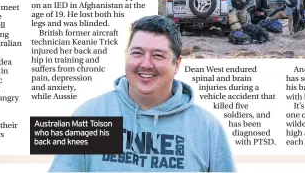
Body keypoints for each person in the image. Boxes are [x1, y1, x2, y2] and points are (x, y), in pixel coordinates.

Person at [49, 15, 236, 172]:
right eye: (137, 53)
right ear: (126, 56)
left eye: (158, 55)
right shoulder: (88, 115)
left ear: (177, 64)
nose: (146, 64)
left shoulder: (207, 128)